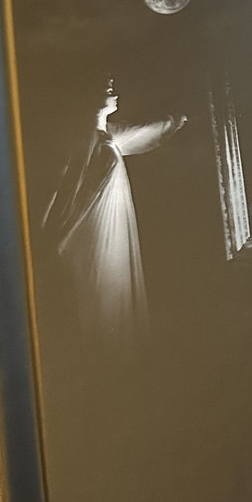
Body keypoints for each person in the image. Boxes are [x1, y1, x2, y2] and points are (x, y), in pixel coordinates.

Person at [42, 81, 186, 344]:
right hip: (90, 229)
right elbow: (62, 185)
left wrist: (175, 120)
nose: (116, 94)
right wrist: (53, 231)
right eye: (108, 90)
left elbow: (144, 132)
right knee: (97, 291)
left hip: (114, 228)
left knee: (114, 286)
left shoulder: (109, 135)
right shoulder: (83, 140)